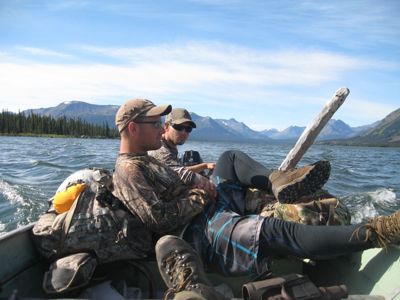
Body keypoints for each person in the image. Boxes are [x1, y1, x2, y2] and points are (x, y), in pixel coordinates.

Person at [112, 98, 400, 295]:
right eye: (154, 123)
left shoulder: (146, 159)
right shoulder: (128, 169)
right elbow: (159, 221)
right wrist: (199, 196)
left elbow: (177, 177)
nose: (161, 126)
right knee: (275, 230)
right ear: (134, 129)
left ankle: (277, 183)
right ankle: (377, 231)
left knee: (230, 157)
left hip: (209, 205)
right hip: (197, 230)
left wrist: (199, 181)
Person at [149, 108, 216, 193]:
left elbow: (177, 169)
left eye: (188, 129)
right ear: (166, 126)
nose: (184, 132)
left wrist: (205, 166)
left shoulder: (170, 146)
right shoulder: (160, 148)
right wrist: (207, 181)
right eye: (179, 127)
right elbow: (180, 174)